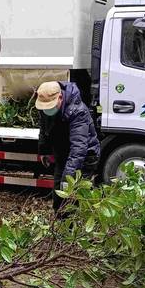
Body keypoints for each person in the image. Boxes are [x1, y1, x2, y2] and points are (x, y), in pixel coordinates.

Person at [35, 81, 100, 216]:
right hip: (63, 154)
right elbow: (44, 129)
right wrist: (44, 151)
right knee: (58, 193)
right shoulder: (44, 109)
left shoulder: (78, 111)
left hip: (84, 158)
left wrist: (68, 177)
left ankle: (76, 230)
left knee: (73, 196)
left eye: (50, 106)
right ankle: (60, 226)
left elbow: (79, 147)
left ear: (60, 97)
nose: (47, 110)